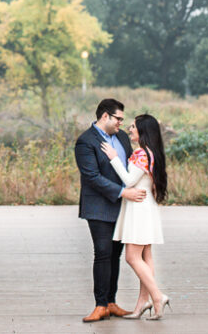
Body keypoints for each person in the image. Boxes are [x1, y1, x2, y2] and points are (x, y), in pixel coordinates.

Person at [74, 98, 147, 323]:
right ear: (105, 116)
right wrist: (123, 192)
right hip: (98, 206)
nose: (121, 124)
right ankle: (100, 305)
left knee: (115, 255)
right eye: (118, 119)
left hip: (122, 206)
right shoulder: (86, 142)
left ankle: (111, 302)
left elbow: (129, 168)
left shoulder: (122, 138)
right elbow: (92, 177)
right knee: (103, 252)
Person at [100, 113, 170, 320]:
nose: (129, 129)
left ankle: (157, 296)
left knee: (132, 257)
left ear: (143, 131)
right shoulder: (151, 152)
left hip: (139, 209)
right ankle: (143, 303)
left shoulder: (142, 154)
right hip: (143, 206)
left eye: (133, 127)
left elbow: (129, 180)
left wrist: (113, 158)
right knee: (145, 256)